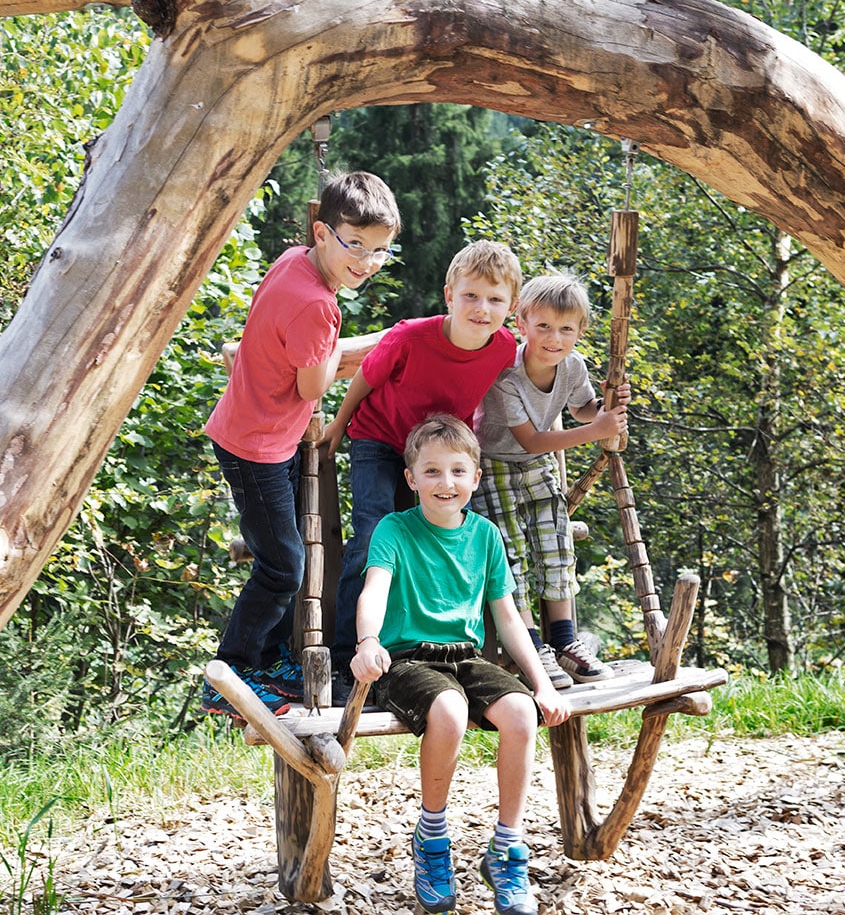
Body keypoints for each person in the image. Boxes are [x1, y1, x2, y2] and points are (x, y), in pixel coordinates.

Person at [350, 414, 570, 915]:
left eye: (456, 471)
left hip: (467, 657)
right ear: (411, 479)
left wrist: (542, 685)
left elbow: (509, 619)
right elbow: (375, 589)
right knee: (448, 712)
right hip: (406, 659)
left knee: (520, 714)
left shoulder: (486, 536)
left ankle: (507, 848)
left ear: (474, 477)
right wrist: (367, 641)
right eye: (431, 472)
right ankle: (431, 838)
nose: (444, 483)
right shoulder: (394, 529)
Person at [201, 171, 401, 720]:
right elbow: (312, 386)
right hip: (256, 447)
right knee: (282, 567)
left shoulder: (293, 262)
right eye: (353, 244)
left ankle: (265, 664)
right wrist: (377, 344)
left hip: (261, 433)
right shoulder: (319, 306)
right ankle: (229, 673)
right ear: (321, 232)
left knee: (280, 557)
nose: (366, 260)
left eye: (381, 249)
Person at [323, 240, 522, 701]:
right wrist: (338, 425)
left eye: (495, 300)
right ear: (449, 294)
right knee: (373, 538)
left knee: (433, 540)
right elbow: (365, 379)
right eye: (471, 296)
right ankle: (344, 661)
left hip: (438, 460)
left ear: (511, 308)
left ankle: (425, 650)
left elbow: (539, 373)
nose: (481, 308)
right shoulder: (410, 336)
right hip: (380, 440)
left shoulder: (504, 347)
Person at [473, 274, 630, 690]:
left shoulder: (573, 366)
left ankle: (564, 641)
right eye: (543, 326)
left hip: (538, 468)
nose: (554, 338)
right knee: (513, 553)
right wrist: (598, 429)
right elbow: (532, 439)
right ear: (521, 323)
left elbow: (582, 410)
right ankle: (530, 644)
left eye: (566, 328)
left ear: (580, 332)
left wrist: (605, 406)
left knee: (555, 545)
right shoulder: (508, 375)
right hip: (497, 466)